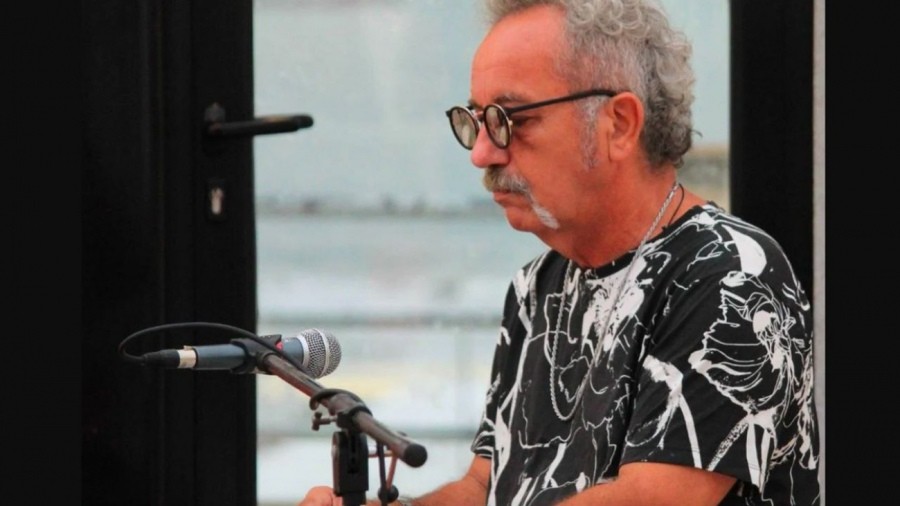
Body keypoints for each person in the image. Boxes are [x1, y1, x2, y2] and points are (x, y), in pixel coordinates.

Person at [299, 0, 820, 504]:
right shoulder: (536, 283)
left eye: (510, 119)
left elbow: (652, 499)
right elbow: (484, 486)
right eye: (475, 120)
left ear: (619, 123)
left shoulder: (730, 273)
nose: (482, 152)